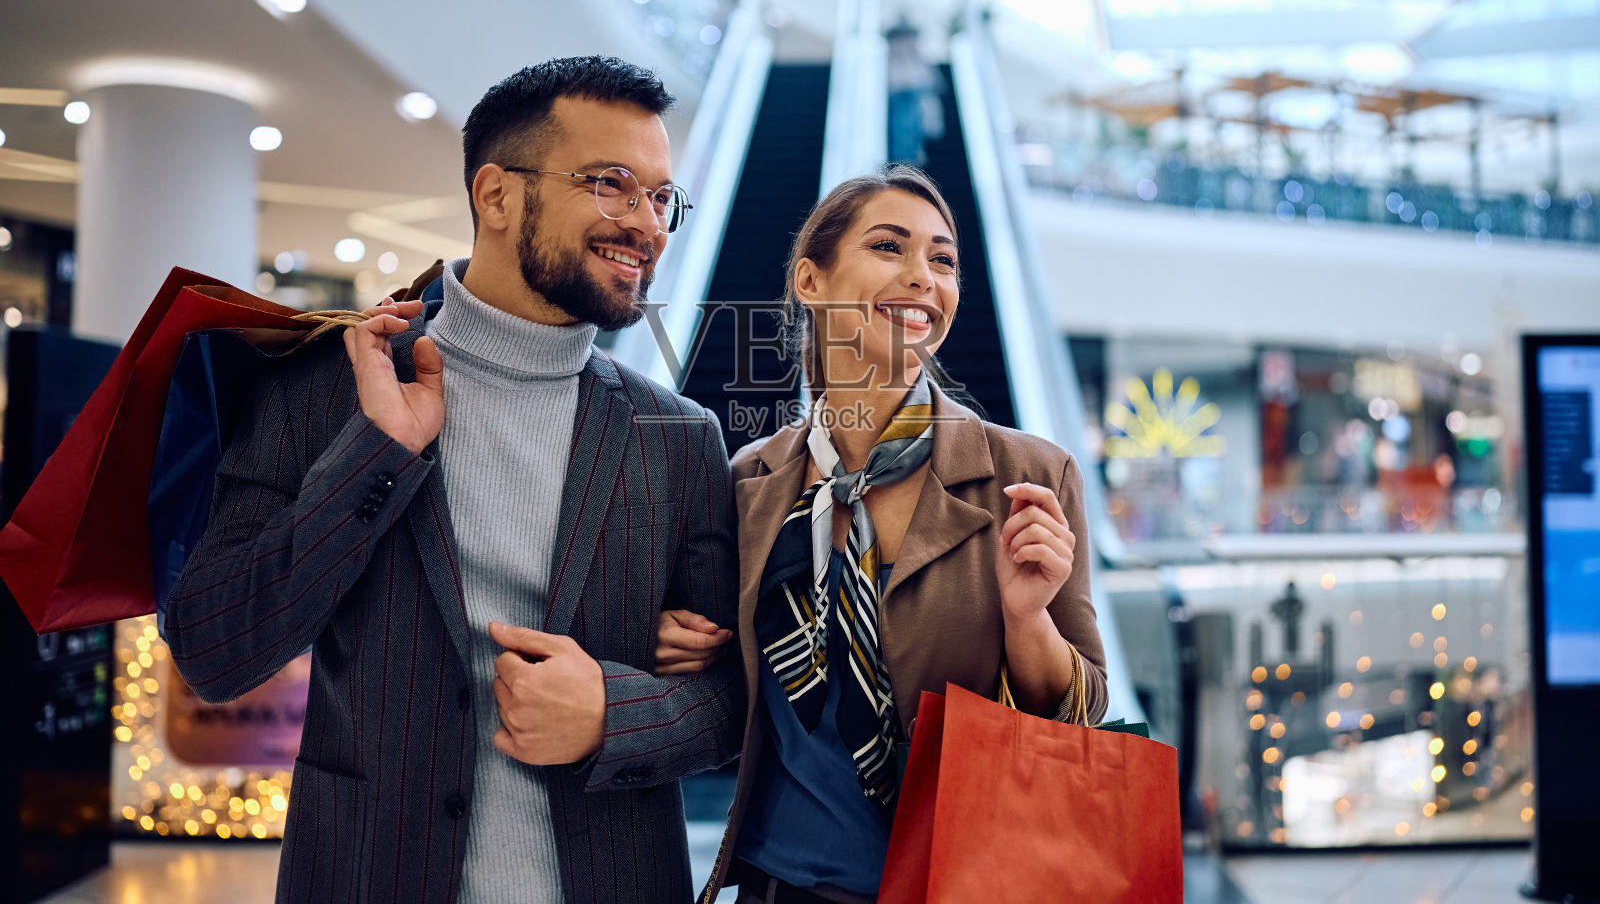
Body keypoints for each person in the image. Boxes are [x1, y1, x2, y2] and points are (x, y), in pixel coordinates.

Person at [163, 56, 744, 904]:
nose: (647, 224)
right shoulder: (329, 385)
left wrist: (613, 714)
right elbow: (214, 652)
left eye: (661, 198)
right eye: (613, 185)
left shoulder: (680, 438)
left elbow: (736, 699)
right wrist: (376, 455)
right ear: (497, 195)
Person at [656, 165, 1109, 904]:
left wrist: (1027, 619)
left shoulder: (1029, 472)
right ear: (811, 280)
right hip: (782, 884)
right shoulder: (748, 480)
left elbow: (1082, 709)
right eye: (890, 247)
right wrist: (676, 642)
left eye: (943, 259)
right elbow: (730, 688)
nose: (923, 277)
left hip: (962, 880)